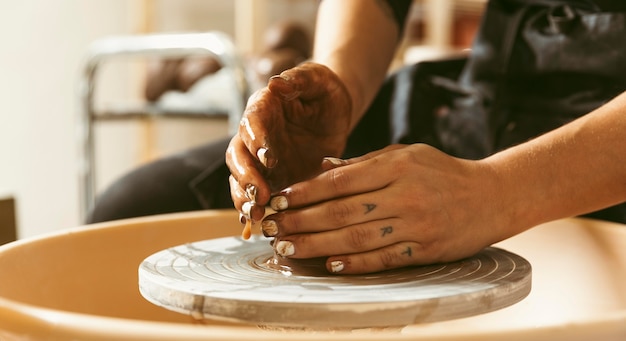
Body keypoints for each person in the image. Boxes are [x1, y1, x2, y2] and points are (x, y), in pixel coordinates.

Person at [90, 0, 626, 274]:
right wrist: (338, 86)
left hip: (600, 146)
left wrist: (499, 193)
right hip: (471, 100)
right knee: (133, 213)